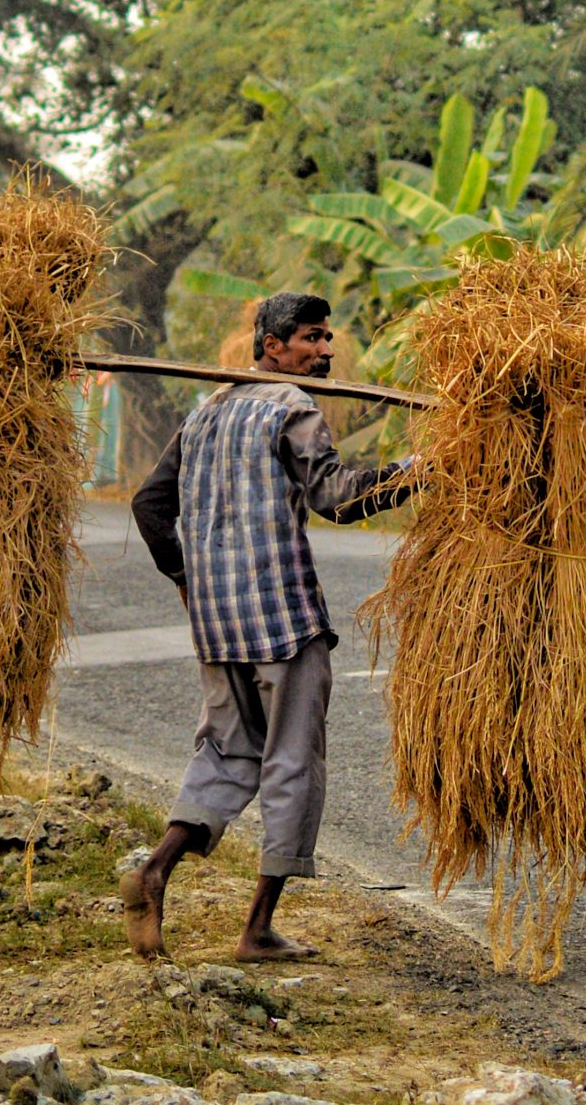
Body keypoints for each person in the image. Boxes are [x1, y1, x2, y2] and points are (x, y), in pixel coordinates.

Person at [124, 291, 416, 963]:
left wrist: (186, 581)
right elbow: (338, 499)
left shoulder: (206, 412)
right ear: (273, 347)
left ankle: (154, 871)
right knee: (293, 764)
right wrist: (414, 474)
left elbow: (148, 504)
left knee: (225, 754)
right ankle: (257, 928)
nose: (325, 351)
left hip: (219, 627)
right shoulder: (292, 409)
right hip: (284, 622)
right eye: (311, 338)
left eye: (327, 339)